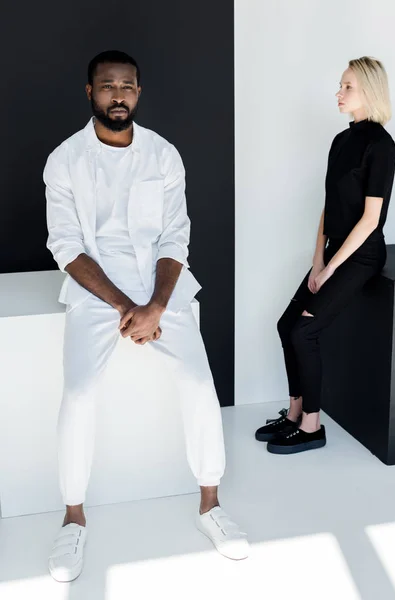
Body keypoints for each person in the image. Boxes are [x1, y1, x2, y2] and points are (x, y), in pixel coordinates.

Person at [44, 50, 248, 582]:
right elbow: (65, 246)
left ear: (138, 92)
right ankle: (73, 517)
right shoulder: (64, 160)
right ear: (90, 93)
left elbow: (174, 235)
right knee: (80, 393)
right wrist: (123, 307)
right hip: (96, 292)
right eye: (108, 86)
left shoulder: (163, 154)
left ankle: (210, 506)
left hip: (163, 288)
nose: (118, 95)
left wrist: (156, 305)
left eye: (127, 86)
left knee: (198, 383)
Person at [255, 56, 395, 454]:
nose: (339, 93)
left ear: (369, 90)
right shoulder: (341, 141)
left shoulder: (382, 147)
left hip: (361, 257)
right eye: (340, 85)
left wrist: (333, 267)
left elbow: (371, 220)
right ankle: (295, 412)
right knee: (287, 325)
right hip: (334, 254)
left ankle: (313, 427)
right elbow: (329, 207)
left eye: (347, 86)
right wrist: (318, 260)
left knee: (305, 331)